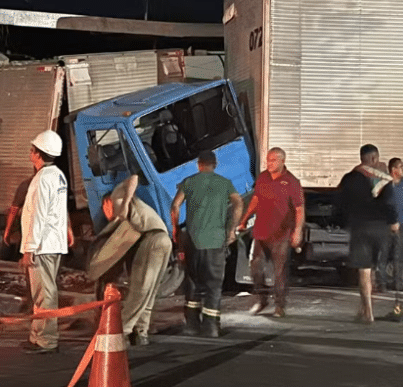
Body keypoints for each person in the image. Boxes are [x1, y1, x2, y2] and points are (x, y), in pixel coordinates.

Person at [170, 150, 243, 337]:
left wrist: (175, 230)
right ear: (215, 164)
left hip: (192, 241)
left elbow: (175, 206)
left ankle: (192, 325)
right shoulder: (225, 184)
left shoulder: (189, 182)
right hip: (215, 240)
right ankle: (211, 327)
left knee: (193, 282)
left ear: (198, 164)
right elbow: (238, 203)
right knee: (213, 284)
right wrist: (231, 229)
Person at [101, 174, 172, 346]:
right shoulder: (128, 218)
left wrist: (124, 204)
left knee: (139, 290)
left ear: (106, 203)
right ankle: (141, 332)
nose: (106, 215)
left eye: (104, 210)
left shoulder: (117, 197)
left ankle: (122, 332)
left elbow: (133, 177)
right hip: (164, 241)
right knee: (149, 291)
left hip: (152, 239)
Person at [19, 130, 73, 354]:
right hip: (52, 243)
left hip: (42, 246)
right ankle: (37, 336)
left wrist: (29, 248)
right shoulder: (58, 175)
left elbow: (38, 215)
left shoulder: (42, 180)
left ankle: (46, 340)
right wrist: (68, 229)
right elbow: (58, 209)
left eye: (32, 150)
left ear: (38, 154)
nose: (30, 153)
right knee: (43, 293)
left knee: (44, 294)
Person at [236, 147, 304, 318]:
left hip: (281, 235)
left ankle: (280, 306)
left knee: (279, 271)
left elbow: (299, 209)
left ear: (282, 161)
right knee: (255, 267)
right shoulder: (263, 178)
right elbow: (256, 199)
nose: (269, 163)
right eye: (268, 160)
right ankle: (261, 298)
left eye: (273, 160)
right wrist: (244, 219)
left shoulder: (291, 182)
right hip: (261, 232)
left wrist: (297, 231)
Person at [339, 144, 397, 324]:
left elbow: (340, 203)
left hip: (361, 227)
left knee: (363, 272)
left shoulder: (350, 178)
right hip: (381, 229)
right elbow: (392, 206)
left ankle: (368, 312)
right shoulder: (386, 180)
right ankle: (364, 309)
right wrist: (393, 225)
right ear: (374, 159)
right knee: (372, 269)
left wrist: (343, 222)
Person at [377, 158, 403, 292]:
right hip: (387, 225)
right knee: (384, 254)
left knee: (400, 255)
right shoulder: (386, 186)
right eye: (400, 167)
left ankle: (398, 283)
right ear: (394, 170)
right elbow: (382, 205)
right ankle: (382, 283)